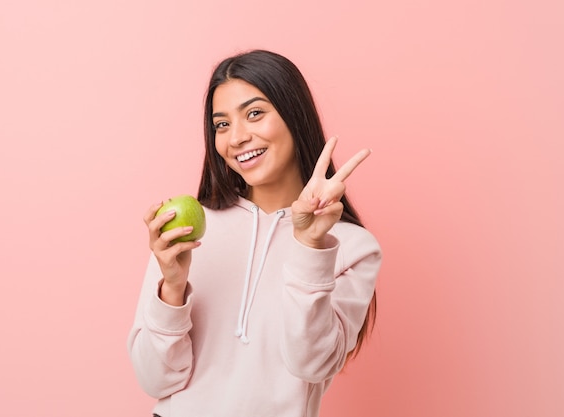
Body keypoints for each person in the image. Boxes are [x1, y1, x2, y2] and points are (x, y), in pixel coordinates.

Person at [128, 49, 382, 417]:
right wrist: (172, 286)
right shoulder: (189, 231)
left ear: (294, 115)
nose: (236, 138)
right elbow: (155, 380)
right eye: (222, 124)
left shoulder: (353, 247)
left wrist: (310, 247)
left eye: (254, 114)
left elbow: (311, 364)